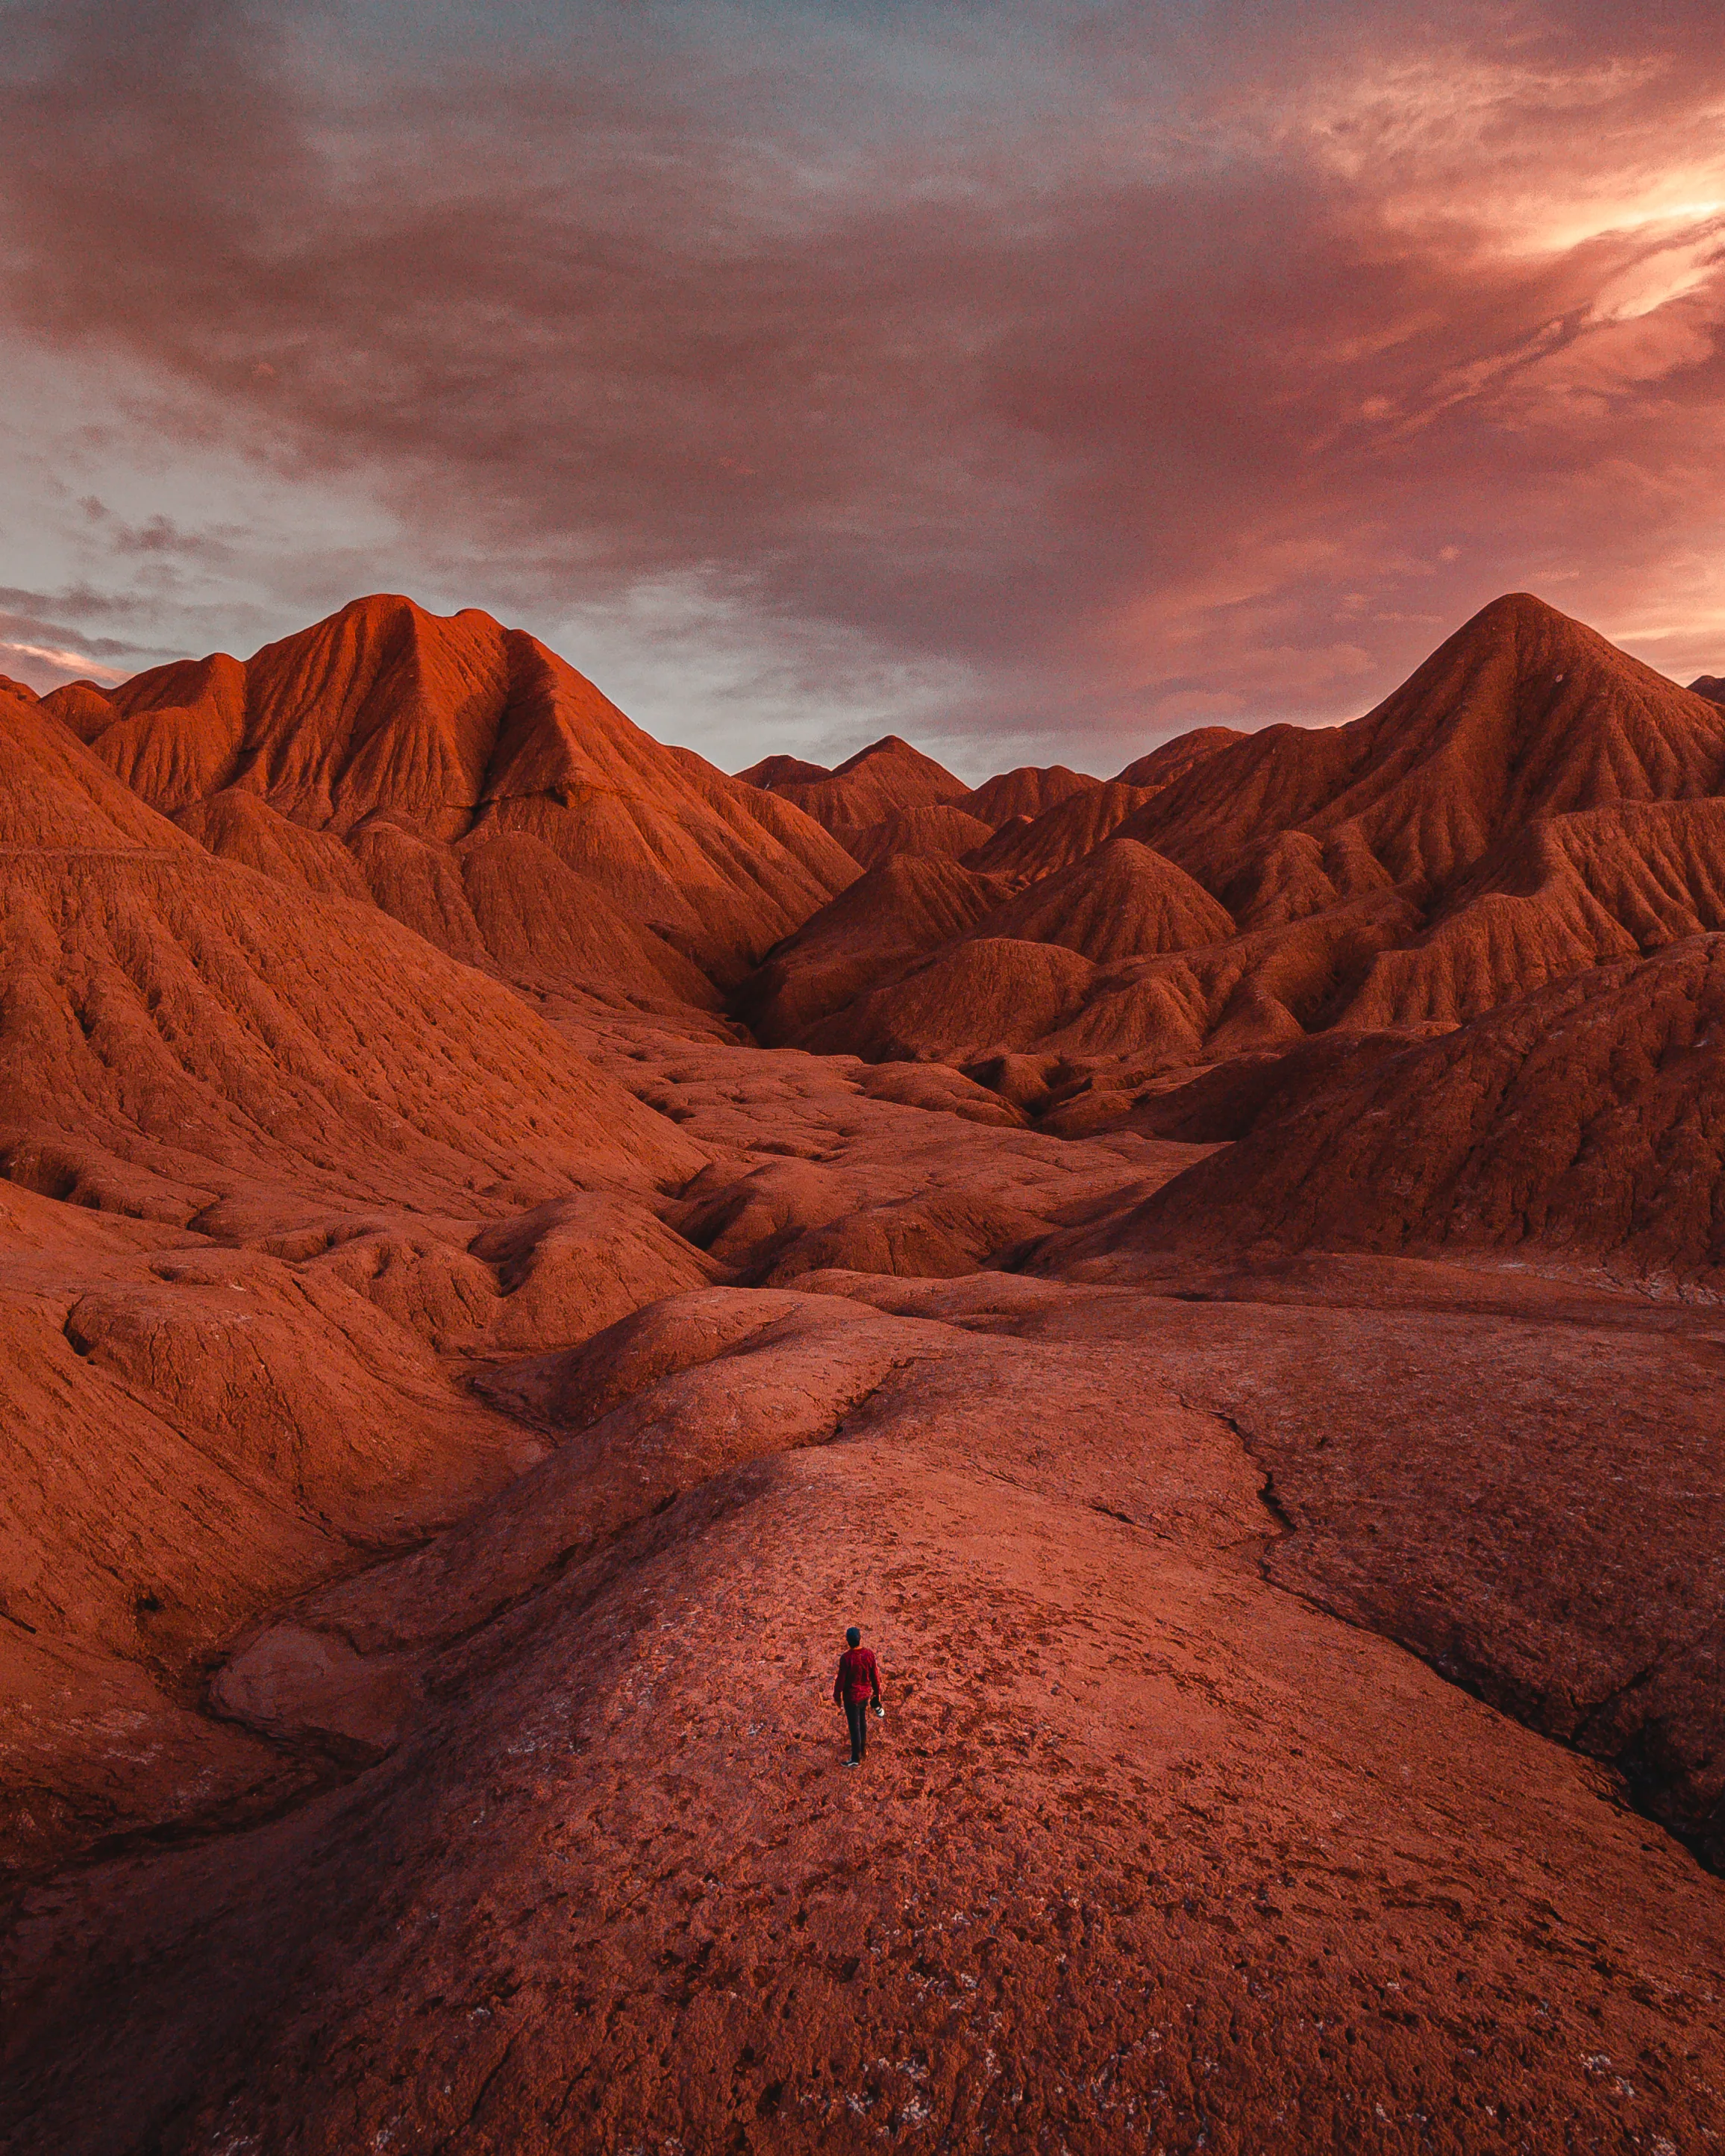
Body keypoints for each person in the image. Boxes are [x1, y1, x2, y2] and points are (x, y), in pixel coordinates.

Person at [833, 1625, 883, 1766]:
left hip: (851, 1698)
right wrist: (877, 1692)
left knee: (854, 1727)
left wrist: (837, 1696)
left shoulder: (846, 1658)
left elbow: (841, 1680)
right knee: (862, 1722)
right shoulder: (869, 1654)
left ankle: (855, 1758)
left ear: (848, 1641)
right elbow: (875, 1676)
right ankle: (863, 1749)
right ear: (860, 1639)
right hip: (865, 1695)